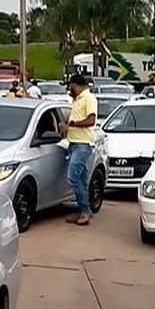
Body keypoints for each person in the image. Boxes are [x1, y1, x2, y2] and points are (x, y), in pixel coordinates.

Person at [60, 73, 98, 226]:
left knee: (73, 177)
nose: (69, 89)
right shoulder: (76, 100)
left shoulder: (89, 98)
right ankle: (84, 210)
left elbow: (91, 120)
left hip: (83, 144)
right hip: (74, 143)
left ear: (76, 85)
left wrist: (72, 125)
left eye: (70, 86)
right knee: (81, 180)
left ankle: (85, 211)